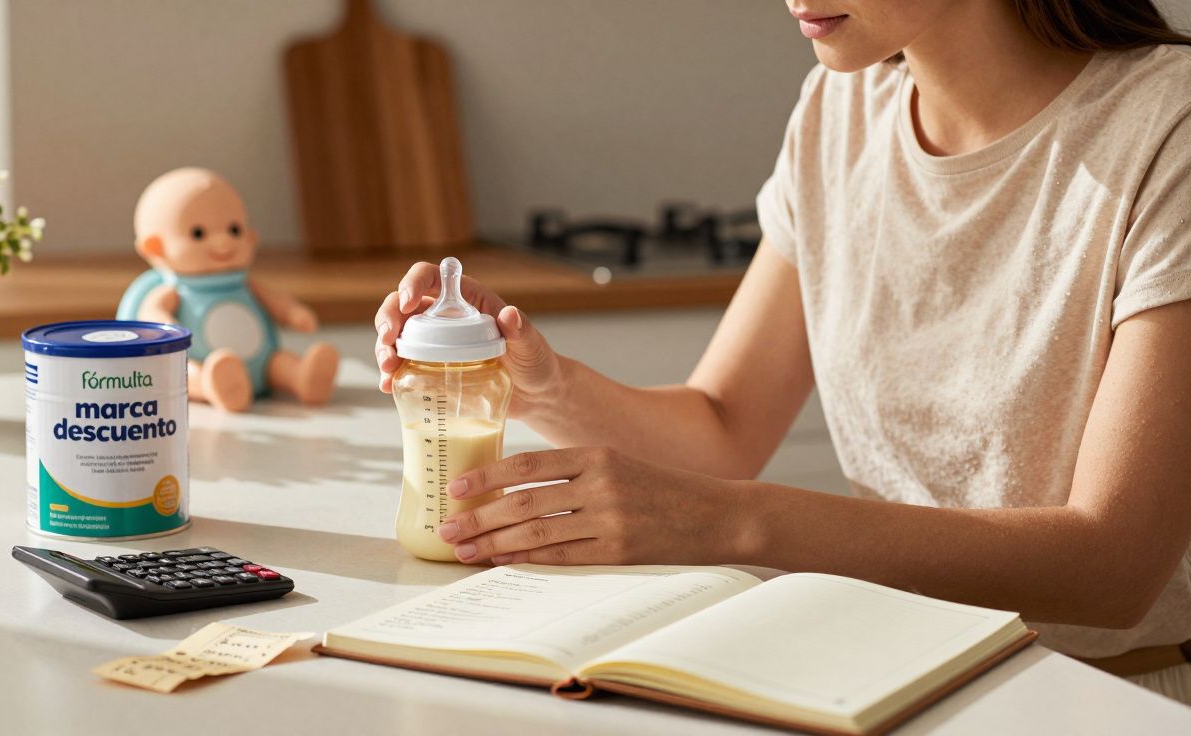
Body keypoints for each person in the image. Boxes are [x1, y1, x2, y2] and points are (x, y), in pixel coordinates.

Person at [374, 0, 1191, 703]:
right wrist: (538, 383)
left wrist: (730, 523)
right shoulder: (841, 112)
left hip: (1103, 701)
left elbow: (1112, 568)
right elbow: (723, 429)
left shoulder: (1167, 129)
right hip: (884, 682)